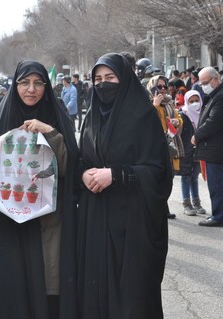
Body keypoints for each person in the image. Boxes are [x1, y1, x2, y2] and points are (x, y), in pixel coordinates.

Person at [0, 59, 79, 319]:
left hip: (49, 221)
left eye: (38, 83)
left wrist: (50, 133)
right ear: (15, 86)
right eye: (24, 83)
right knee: (15, 286)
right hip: (9, 221)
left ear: (47, 87)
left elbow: (72, 167)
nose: (31, 89)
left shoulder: (58, 118)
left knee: (47, 286)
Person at [77, 53, 172, 319]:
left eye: (110, 78)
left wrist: (116, 175)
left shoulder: (143, 117)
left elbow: (159, 172)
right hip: (96, 218)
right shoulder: (91, 117)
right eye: (98, 79)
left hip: (133, 225)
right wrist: (84, 174)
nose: (103, 84)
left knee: (132, 297)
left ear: (125, 79)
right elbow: (81, 159)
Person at [192, 66, 223, 227]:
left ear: (216, 79)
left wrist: (197, 135)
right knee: (221, 181)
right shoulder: (219, 93)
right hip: (218, 146)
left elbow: (213, 122)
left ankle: (219, 216)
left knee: (216, 183)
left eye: (205, 82)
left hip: (217, 148)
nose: (203, 86)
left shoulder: (222, 96)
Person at [147, 75, 183, 219]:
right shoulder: (147, 103)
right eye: (159, 86)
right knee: (157, 177)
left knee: (169, 177)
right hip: (154, 146)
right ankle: (160, 207)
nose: (162, 90)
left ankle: (163, 205)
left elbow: (178, 117)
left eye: (164, 86)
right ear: (152, 87)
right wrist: (155, 105)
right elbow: (147, 120)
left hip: (169, 143)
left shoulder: (169, 102)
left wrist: (177, 121)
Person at [178, 90, 206, 216]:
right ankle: (186, 204)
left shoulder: (204, 114)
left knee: (194, 177)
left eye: (197, 100)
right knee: (186, 177)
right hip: (186, 150)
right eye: (191, 101)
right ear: (186, 101)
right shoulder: (182, 115)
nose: (195, 103)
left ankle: (196, 202)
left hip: (199, 151)